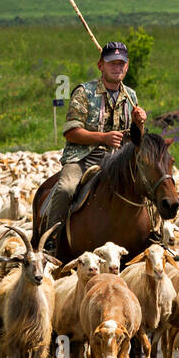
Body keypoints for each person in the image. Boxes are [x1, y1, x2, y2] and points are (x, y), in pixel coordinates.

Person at [39, 40, 148, 253]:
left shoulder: (131, 96)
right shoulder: (84, 92)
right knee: (65, 188)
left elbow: (137, 140)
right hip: (83, 157)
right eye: (112, 63)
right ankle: (51, 239)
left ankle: (154, 235)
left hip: (118, 160)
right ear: (101, 66)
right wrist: (102, 138)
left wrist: (139, 124)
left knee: (150, 184)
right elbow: (71, 132)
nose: (117, 68)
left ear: (126, 66)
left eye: (121, 63)